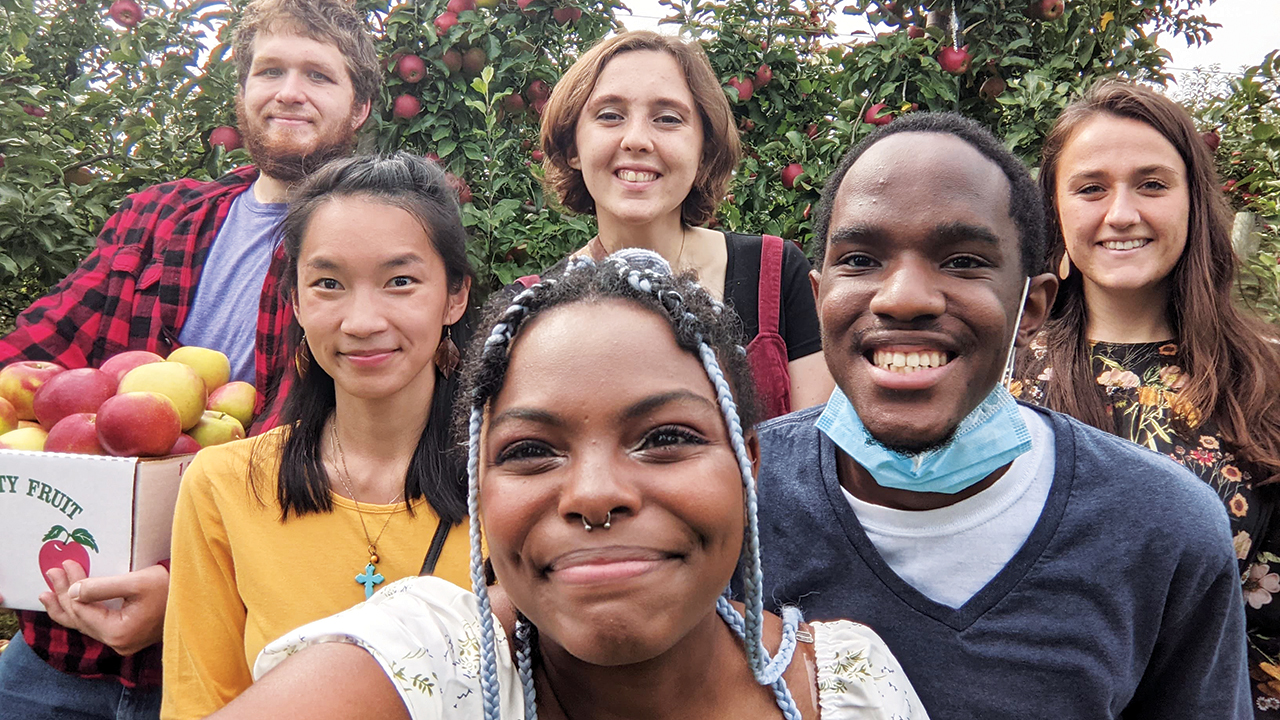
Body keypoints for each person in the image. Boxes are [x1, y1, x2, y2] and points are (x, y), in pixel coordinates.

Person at [204, 250, 929, 720]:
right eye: (529, 450)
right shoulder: (427, 661)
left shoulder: (846, 686)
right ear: (478, 484)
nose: (593, 493)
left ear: (749, 465)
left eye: (667, 438)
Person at [750, 111, 1251, 718]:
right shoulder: (735, 496)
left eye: (963, 261)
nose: (904, 297)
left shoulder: (1164, 529)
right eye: (860, 259)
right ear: (817, 296)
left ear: (1031, 305)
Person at [0, 0, 379, 717]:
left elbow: (339, 441)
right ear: (242, 91)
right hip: (60, 639)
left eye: (318, 76)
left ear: (357, 107)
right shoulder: (157, 216)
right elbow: (39, 353)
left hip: (222, 650)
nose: (289, 90)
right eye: (270, 70)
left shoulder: (369, 252)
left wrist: (185, 581)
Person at [160, 153, 473, 718]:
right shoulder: (226, 486)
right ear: (297, 302)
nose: (361, 321)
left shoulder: (510, 484)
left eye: (400, 281)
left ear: (455, 295)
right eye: (328, 283)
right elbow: (199, 701)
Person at [1011, 80, 1280, 715]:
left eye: (1152, 184)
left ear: (1193, 203)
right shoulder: (1000, 380)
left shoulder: (1267, 376)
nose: (1122, 212)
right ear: (1055, 212)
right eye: (1091, 188)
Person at [534, 30, 832, 418]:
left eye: (668, 119)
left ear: (703, 149)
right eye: (610, 115)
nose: (637, 140)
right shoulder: (535, 306)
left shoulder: (776, 275)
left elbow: (811, 456)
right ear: (573, 147)